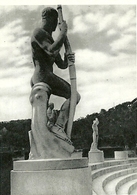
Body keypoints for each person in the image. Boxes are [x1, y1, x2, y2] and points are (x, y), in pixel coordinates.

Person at [30, 7, 80, 142]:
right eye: (55, 21)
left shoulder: (50, 39)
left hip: (48, 76)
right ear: (49, 19)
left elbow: (61, 64)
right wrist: (63, 33)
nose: (55, 26)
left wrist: (67, 59)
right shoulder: (38, 33)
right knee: (74, 95)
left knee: (74, 96)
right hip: (42, 76)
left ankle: (58, 126)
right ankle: (58, 126)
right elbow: (51, 51)